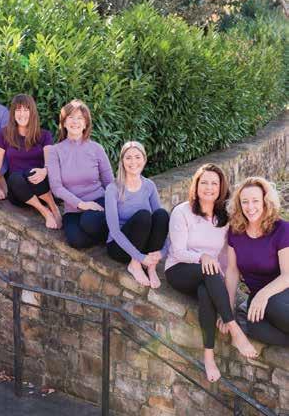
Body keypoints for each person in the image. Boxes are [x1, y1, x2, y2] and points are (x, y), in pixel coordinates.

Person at [165, 164, 257, 382]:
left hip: (209, 273)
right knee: (211, 270)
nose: (209, 187)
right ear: (196, 186)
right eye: (204, 182)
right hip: (179, 269)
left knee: (206, 292)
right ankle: (234, 329)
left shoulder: (225, 218)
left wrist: (223, 288)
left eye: (214, 183)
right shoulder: (182, 212)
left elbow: (225, 258)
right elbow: (177, 251)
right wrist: (202, 257)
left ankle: (208, 356)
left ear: (221, 188)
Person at [222, 177, 289, 346]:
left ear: (265, 202)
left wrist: (263, 295)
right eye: (245, 202)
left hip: (282, 293)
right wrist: (228, 308)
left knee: (272, 305)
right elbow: (232, 270)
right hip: (259, 297)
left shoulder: (282, 229)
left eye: (255, 201)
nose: (250, 207)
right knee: (253, 325)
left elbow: (287, 275)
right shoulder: (235, 231)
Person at [0, 94, 61, 229]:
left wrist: (45, 171)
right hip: (19, 192)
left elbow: (50, 162)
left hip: (40, 186)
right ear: (13, 113)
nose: (22, 114)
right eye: (18, 110)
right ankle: (45, 211)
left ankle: (53, 207)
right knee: (15, 177)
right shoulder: (4, 134)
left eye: (26, 110)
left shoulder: (44, 135)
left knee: (31, 172)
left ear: (32, 112)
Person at [47, 100, 113, 248]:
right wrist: (81, 204)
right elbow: (56, 188)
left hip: (99, 202)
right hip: (73, 208)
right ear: (64, 123)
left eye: (80, 118)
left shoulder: (96, 148)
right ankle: (110, 234)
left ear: (85, 124)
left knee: (89, 221)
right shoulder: (54, 151)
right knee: (76, 240)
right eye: (71, 117)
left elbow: (110, 183)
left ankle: (116, 233)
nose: (75, 121)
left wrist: (116, 206)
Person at [105, 141, 169, 288]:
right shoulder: (113, 189)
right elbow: (114, 231)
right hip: (119, 248)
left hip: (143, 246)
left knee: (161, 214)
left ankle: (151, 266)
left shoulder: (149, 185)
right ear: (122, 161)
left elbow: (160, 223)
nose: (133, 162)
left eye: (137, 157)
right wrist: (139, 257)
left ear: (144, 159)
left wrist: (162, 251)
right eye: (128, 158)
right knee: (144, 216)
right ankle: (134, 265)